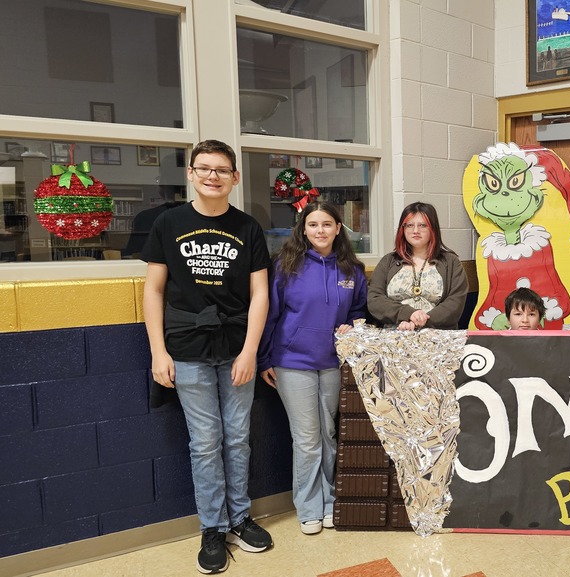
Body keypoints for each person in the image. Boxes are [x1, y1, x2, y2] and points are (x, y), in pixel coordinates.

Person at [141, 140, 274, 574]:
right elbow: (153, 290)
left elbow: (260, 294)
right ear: (191, 174)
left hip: (236, 345)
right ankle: (213, 527)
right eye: (205, 168)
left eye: (222, 169)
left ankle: (239, 518)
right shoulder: (168, 223)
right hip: (187, 348)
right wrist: (158, 351)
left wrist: (251, 350)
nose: (213, 175)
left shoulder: (248, 228)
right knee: (205, 442)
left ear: (235, 177)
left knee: (237, 437)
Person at [257, 202, 367, 536]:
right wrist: (264, 359)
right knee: (306, 439)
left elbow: (359, 311)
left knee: (328, 435)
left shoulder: (352, 270)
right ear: (303, 229)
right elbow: (270, 315)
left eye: (327, 224)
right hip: (293, 363)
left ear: (338, 229)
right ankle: (308, 508)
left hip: (332, 363)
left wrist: (352, 325)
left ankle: (330, 501)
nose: (320, 230)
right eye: (313, 224)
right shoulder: (285, 266)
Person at [368, 202, 468, 330]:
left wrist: (420, 321)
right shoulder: (388, 261)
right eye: (410, 225)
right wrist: (407, 314)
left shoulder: (451, 262)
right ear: (402, 229)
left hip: (438, 337)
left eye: (422, 225)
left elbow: (455, 303)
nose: (415, 231)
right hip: (395, 335)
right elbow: (375, 299)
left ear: (433, 229)